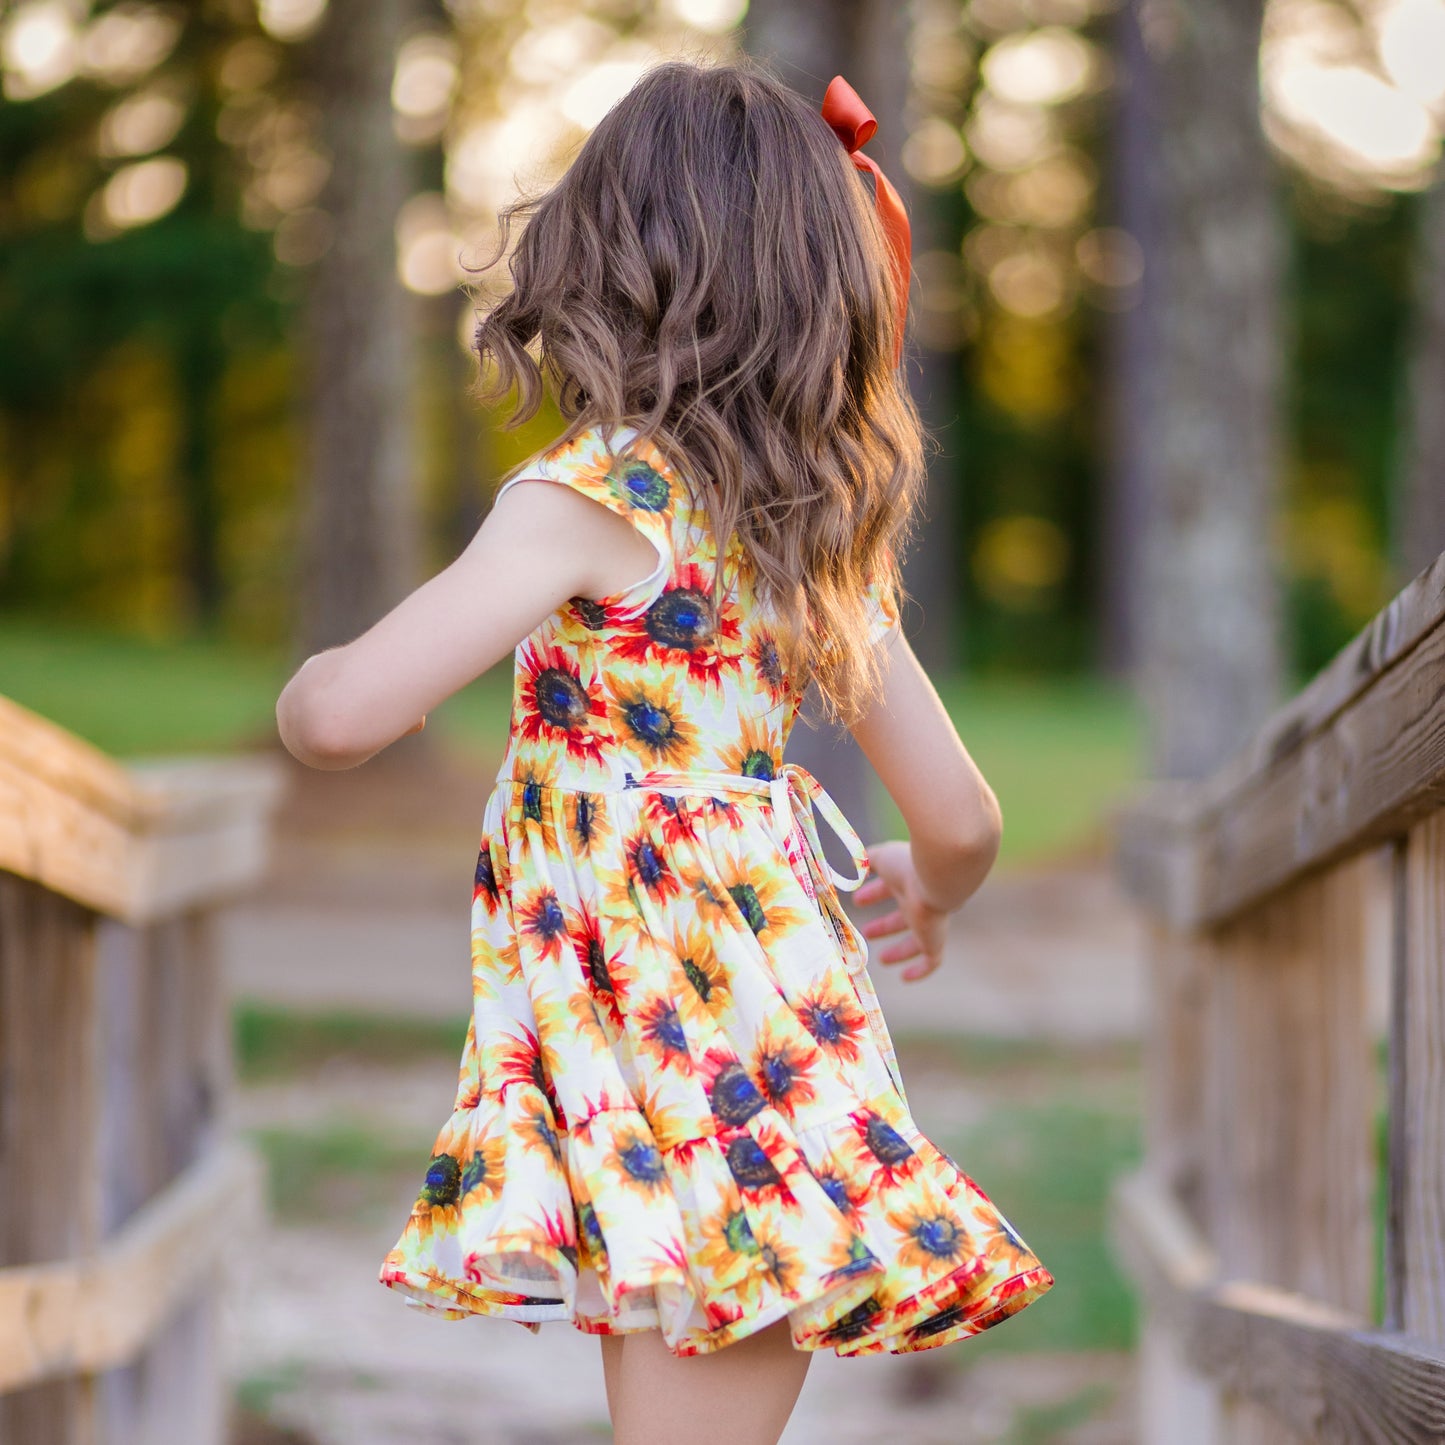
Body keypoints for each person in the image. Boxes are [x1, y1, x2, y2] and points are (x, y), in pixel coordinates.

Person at [275, 54, 1053, 1445]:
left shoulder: (585, 499)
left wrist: (305, 686)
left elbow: (342, 720)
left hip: (661, 1035)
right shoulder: (814, 536)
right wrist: (922, 887)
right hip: (763, 1025)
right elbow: (961, 814)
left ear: (602, 262)